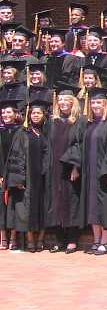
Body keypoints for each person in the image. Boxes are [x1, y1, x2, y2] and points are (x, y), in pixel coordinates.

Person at [64, 87, 107, 256]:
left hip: (103, 173)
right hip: (89, 172)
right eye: (93, 102)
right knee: (92, 206)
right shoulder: (88, 124)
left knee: (104, 206)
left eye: (99, 102)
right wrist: (76, 166)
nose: (95, 105)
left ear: (105, 104)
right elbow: (79, 146)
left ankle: (105, 240)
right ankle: (96, 240)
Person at [6, 99, 51, 252]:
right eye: (33, 113)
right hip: (28, 178)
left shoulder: (45, 133)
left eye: (39, 113)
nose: (35, 115)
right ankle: (30, 239)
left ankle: (41, 239)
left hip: (42, 177)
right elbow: (17, 155)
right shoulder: (23, 132)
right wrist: (19, 179)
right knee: (26, 209)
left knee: (42, 207)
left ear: (44, 115)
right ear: (29, 115)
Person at [46, 84, 86, 254]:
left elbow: (80, 144)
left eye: (66, 100)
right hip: (54, 168)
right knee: (55, 201)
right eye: (60, 100)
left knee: (71, 201)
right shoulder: (52, 121)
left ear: (73, 102)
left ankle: (72, 239)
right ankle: (58, 239)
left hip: (69, 167)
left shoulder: (79, 121)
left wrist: (76, 167)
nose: (62, 102)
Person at [0, 99, 23, 250]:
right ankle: (3, 238)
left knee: (14, 204)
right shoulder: (0, 131)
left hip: (15, 174)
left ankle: (13, 238)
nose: (5, 115)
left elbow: (22, 155)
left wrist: (18, 176)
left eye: (8, 112)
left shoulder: (21, 131)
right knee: (1, 205)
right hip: (1, 174)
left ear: (15, 114)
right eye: (3, 112)